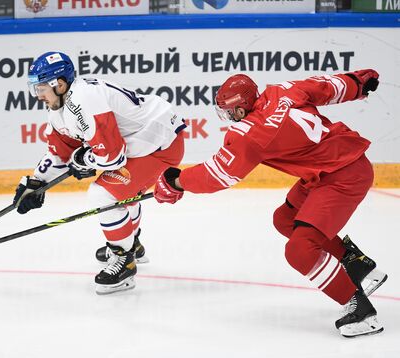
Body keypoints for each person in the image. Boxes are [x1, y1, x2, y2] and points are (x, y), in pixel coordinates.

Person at [153, 70, 388, 337]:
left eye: (230, 112)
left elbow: (218, 174)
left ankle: (359, 308)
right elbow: (328, 86)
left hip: (342, 176)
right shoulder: (283, 90)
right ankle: (357, 264)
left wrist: (177, 181)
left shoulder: (251, 134)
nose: (229, 118)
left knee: (300, 251)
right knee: (285, 220)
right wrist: (359, 82)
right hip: (329, 170)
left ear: (241, 110)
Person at [13, 51, 185, 294]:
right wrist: (36, 181)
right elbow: (60, 153)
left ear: (59, 84)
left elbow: (112, 156)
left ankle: (123, 260)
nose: (37, 95)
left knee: (103, 194)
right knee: (118, 191)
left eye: (41, 88)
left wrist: (85, 159)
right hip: (143, 143)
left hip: (159, 143)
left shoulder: (84, 100)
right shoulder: (60, 107)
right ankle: (131, 244)